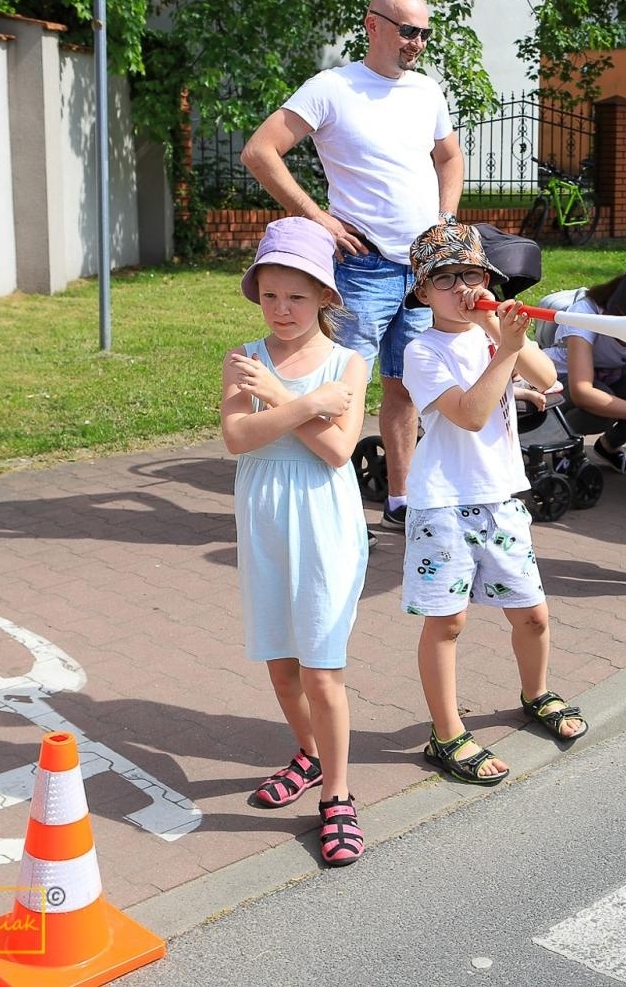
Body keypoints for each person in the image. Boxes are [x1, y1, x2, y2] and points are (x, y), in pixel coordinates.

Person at [241, 0, 464, 533]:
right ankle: (327, 503)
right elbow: (259, 151)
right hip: (362, 268)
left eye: (425, 34)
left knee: (405, 386)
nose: (417, 43)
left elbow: (450, 156)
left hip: (420, 270)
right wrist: (317, 216)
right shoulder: (332, 88)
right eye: (408, 31)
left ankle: (400, 500)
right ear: (373, 25)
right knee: (342, 383)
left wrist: (444, 220)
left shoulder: (426, 91)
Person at [400, 221, 587, 786]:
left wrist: (508, 340)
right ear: (422, 292)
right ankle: (447, 732)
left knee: (532, 612)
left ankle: (536, 692)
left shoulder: (490, 335)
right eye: (446, 278)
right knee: (448, 623)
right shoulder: (421, 350)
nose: (464, 287)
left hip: (502, 499)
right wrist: (502, 349)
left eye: (473, 274)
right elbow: (473, 412)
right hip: (443, 506)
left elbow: (548, 378)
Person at [220, 217, 370, 866]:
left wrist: (279, 398)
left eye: (297, 297)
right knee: (282, 665)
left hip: (324, 518)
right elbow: (237, 439)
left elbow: (339, 452)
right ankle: (308, 755)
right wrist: (307, 404)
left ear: (325, 299)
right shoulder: (241, 360)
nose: (281, 310)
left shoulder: (349, 364)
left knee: (321, 666)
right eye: (270, 295)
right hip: (263, 517)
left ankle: (338, 795)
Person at [539, 275, 626, 476]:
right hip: (560, 378)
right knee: (600, 408)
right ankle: (563, 447)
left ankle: (608, 446)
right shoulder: (586, 313)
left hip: (610, 378)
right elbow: (583, 392)